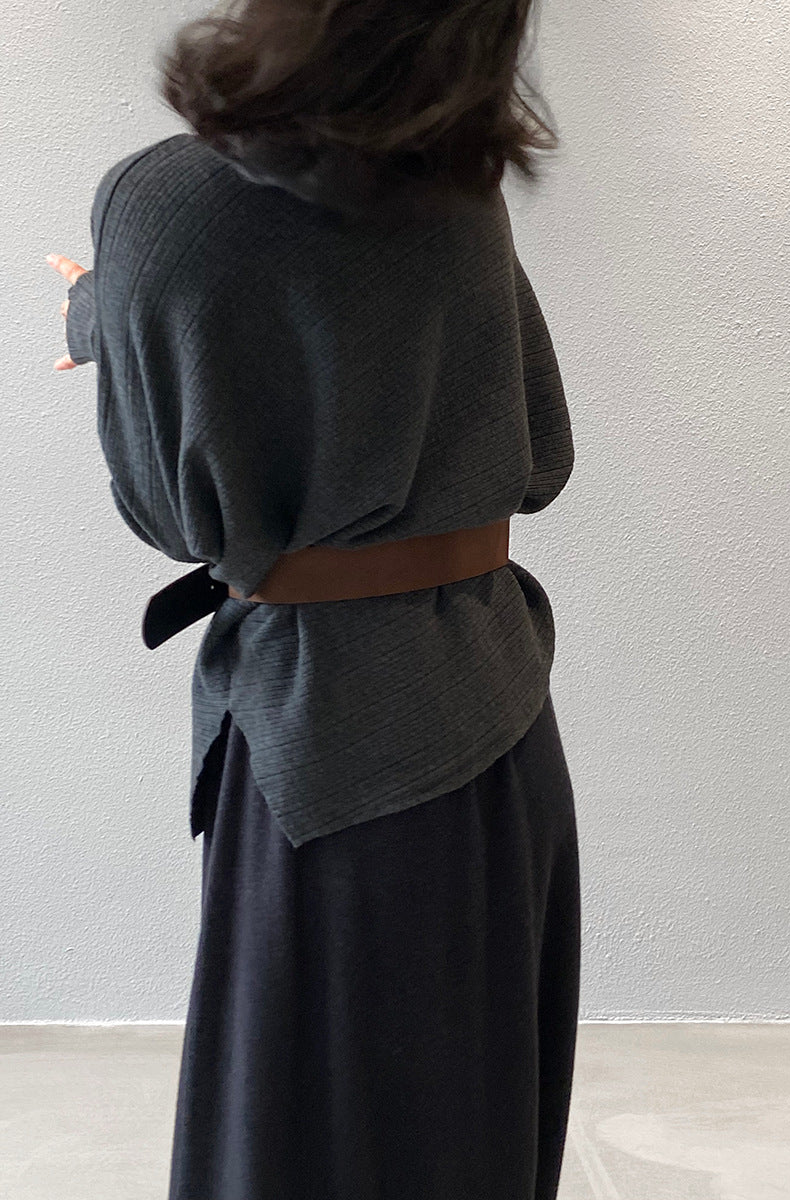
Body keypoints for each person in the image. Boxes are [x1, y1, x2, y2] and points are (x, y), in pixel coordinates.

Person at [47, 1, 581, 1196]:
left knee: (295, 1151)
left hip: (329, 753)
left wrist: (114, 314)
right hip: (498, 715)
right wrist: (120, 312)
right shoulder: (457, 185)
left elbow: (171, 510)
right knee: (471, 1141)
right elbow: (518, 422)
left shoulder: (167, 201)